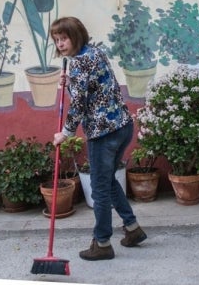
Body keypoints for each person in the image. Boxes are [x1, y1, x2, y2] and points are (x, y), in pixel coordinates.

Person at [50, 16, 146, 261]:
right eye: (57, 40)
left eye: (64, 38)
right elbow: (97, 89)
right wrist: (72, 82)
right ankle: (132, 229)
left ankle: (102, 243)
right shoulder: (95, 53)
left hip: (103, 133)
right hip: (122, 126)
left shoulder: (79, 63)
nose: (60, 44)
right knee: (108, 180)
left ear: (76, 35)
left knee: (100, 188)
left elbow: (80, 103)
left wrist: (66, 132)